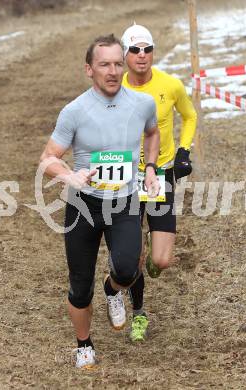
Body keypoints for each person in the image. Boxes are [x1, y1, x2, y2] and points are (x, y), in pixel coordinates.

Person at [39, 34, 160, 369]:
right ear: (88, 69)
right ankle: (84, 345)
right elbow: (47, 158)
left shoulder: (142, 104)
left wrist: (149, 166)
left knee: (126, 269)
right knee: (79, 287)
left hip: (124, 203)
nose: (112, 71)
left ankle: (112, 288)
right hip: (84, 205)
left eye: (118, 64)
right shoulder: (74, 111)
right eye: (104, 64)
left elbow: (152, 133)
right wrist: (69, 176)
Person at [120, 24, 197, 342]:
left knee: (161, 260)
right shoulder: (114, 88)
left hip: (161, 174)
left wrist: (184, 150)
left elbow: (189, 116)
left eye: (147, 49)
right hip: (126, 178)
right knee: (132, 256)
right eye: (135, 50)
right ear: (124, 54)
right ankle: (139, 313)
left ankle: (152, 260)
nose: (142, 56)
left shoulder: (171, 85)